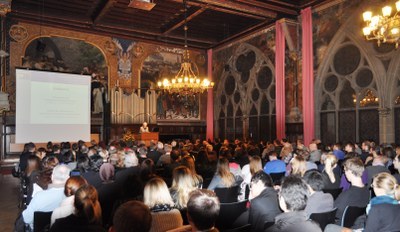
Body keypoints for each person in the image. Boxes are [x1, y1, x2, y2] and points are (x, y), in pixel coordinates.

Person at [22, 164, 71, 229]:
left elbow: (27, 219)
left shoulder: (39, 196)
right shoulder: (72, 196)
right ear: (68, 178)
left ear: (52, 176)